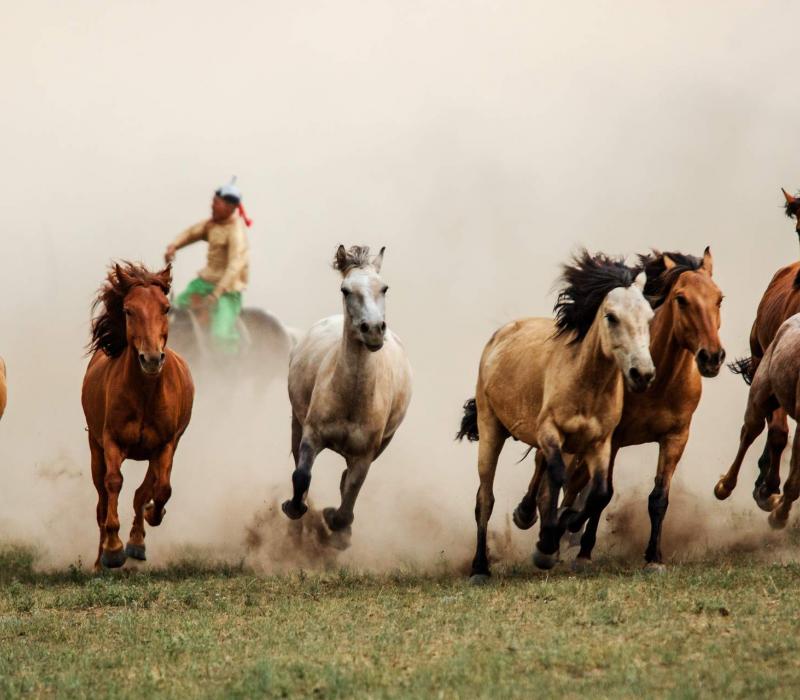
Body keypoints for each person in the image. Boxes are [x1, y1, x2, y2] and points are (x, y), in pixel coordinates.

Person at [166, 178, 252, 353]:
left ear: (229, 208)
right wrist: (174, 246)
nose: (212, 206)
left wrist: (217, 293)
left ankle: (229, 367)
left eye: (216, 203)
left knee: (220, 335)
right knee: (171, 312)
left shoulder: (236, 233)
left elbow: (234, 266)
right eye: (213, 202)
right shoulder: (212, 224)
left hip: (226, 291)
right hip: (202, 283)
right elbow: (192, 233)